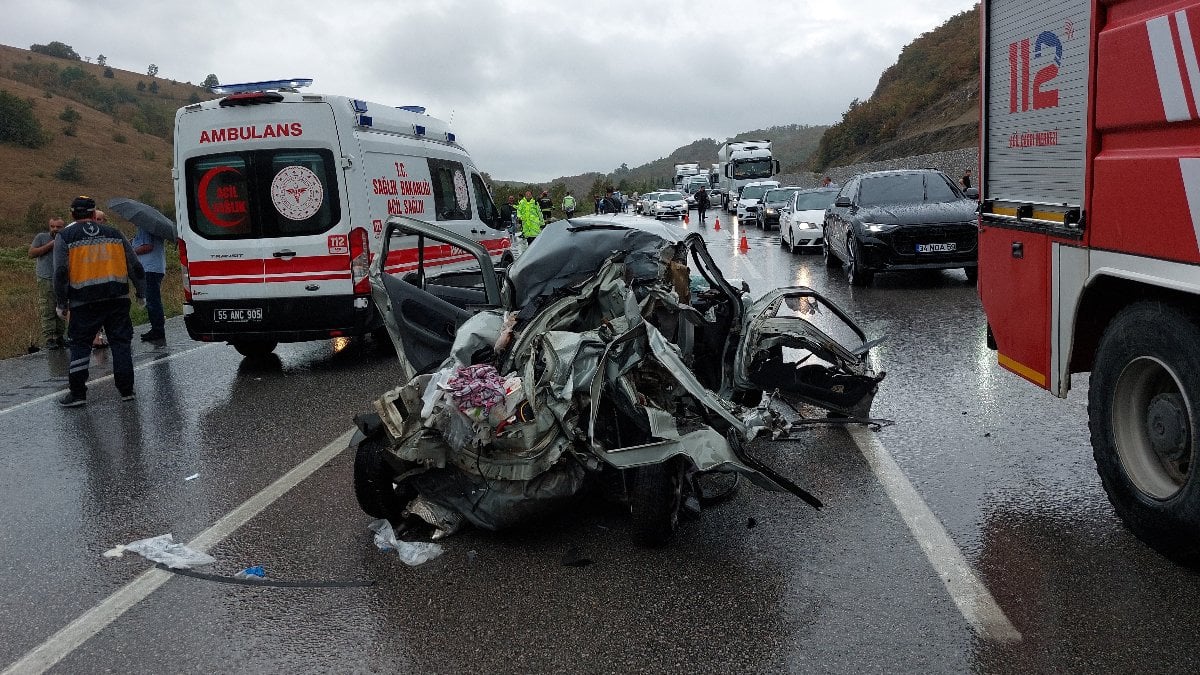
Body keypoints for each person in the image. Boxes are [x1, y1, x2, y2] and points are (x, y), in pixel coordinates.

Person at [54, 196, 146, 407]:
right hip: (117, 299)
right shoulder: (115, 233)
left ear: (72, 214)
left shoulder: (65, 236)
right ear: (95, 214)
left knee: (81, 345)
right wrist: (141, 293)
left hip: (83, 302)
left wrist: (61, 303)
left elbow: (60, 272)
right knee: (121, 343)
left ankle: (78, 393)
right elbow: (136, 266)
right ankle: (126, 390)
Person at [29, 216, 67, 350]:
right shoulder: (41, 237)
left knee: (62, 308)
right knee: (47, 309)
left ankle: (60, 336)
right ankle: (49, 338)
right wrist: (51, 245)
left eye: (58, 227)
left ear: (63, 227)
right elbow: (32, 253)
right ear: (49, 226)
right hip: (46, 278)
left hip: (62, 280)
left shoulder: (66, 238)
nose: (55, 229)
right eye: (53, 226)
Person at [131, 222, 167, 341]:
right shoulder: (155, 228)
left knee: (152, 301)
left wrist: (132, 251)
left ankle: (157, 330)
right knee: (154, 299)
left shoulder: (144, 227)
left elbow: (148, 246)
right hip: (157, 267)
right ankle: (157, 328)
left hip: (149, 268)